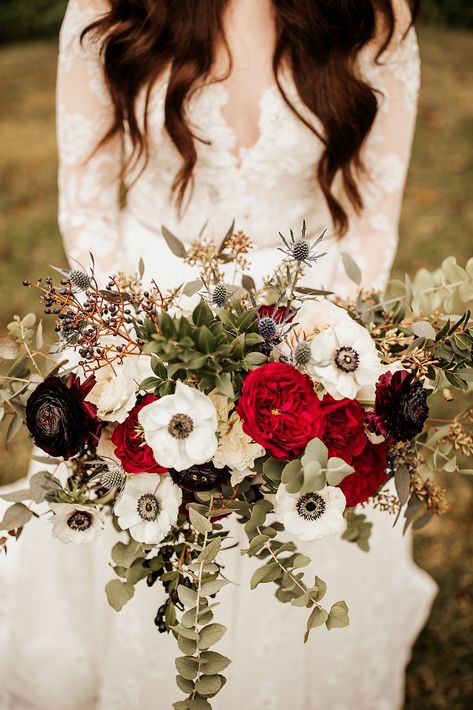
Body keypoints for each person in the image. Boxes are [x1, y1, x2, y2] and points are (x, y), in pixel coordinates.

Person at [0, 1, 436, 708]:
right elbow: (85, 203)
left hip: (310, 321)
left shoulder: (372, 15)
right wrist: (127, 355)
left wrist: (319, 361)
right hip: (136, 314)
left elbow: (369, 222)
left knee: (307, 507)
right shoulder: (109, 7)